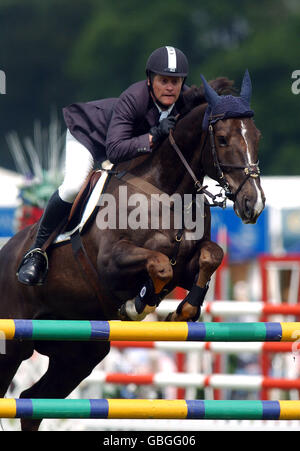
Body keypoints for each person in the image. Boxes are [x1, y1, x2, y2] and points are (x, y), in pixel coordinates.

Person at [17, 46, 189, 286]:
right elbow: (115, 150)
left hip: (126, 148)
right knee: (72, 187)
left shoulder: (185, 102)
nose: (170, 87)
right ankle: (36, 252)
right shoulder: (134, 97)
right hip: (89, 137)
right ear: (150, 80)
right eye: (164, 80)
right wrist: (151, 137)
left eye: (176, 81)